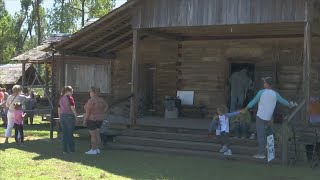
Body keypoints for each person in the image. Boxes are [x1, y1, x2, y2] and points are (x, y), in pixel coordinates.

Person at [241, 77, 294, 159]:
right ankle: (270, 149)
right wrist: (291, 104)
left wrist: (245, 109)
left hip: (260, 117)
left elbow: (253, 102)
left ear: (267, 84)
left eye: (264, 82)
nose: (264, 83)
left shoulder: (261, 92)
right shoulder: (275, 94)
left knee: (261, 135)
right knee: (269, 133)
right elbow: (284, 102)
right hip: (268, 118)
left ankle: (261, 153)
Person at [84, 87, 108, 155]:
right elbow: (106, 107)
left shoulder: (91, 100)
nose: (89, 93)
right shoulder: (101, 100)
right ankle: (97, 149)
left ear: (93, 92)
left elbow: (87, 112)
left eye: (90, 91)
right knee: (98, 135)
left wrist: (85, 120)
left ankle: (93, 150)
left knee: (93, 136)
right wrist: (101, 113)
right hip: (100, 119)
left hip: (92, 119)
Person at [58, 86, 78, 154]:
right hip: (69, 116)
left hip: (62, 116)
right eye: (71, 91)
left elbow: (59, 109)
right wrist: (76, 116)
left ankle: (65, 150)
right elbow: (72, 108)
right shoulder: (70, 98)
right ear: (67, 91)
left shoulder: (61, 99)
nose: (72, 93)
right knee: (70, 133)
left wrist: (60, 117)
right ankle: (72, 149)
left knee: (64, 134)